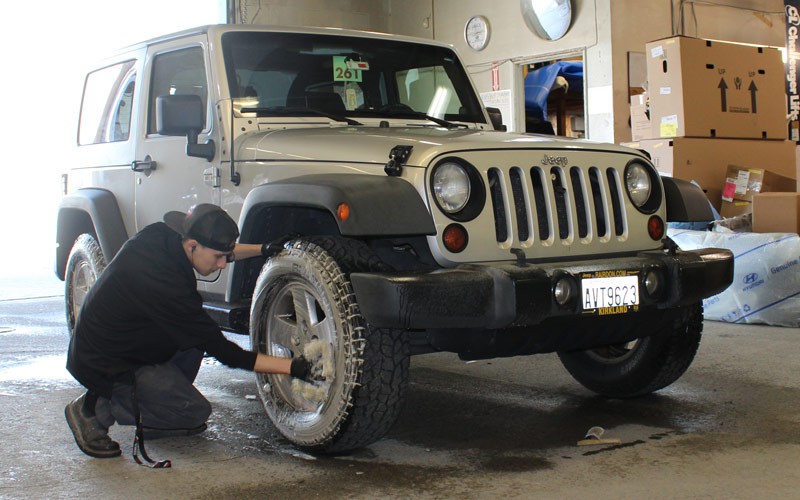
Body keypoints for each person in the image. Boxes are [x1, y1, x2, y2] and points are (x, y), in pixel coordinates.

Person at [65, 204, 310, 460]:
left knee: (193, 343)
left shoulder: (162, 236)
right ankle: (92, 410)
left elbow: (220, 250)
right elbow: (230, 355)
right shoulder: (168, 287)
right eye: (218, 258)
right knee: (193, 413)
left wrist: (263, 249)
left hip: (119, 339)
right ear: (192, 245)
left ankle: (154, 405)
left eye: (224, 256)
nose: (223, 265)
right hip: (105, 363)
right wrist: (293, 367)